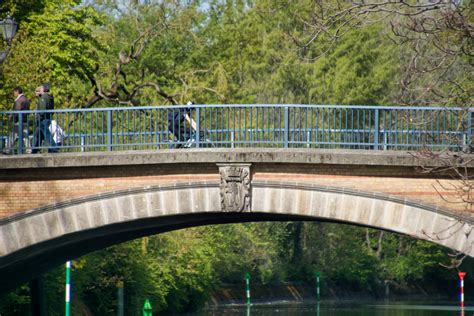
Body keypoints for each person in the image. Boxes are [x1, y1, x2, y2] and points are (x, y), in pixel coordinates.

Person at [3, 87, 31, 154]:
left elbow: (16, 111)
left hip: (19, 121)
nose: (14, 94)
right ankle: (29, 150)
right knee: (25, 136)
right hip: (25, 120)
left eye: (14, 92)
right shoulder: (26, 100)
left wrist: (12, 119)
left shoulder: (19, 100)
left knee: (13, 135)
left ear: (17, 91)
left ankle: (7, 149)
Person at [32, 84, 58, 153]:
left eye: (40, 89)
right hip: (47, 118)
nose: (38, 91)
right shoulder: (50, 97)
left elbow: (42, 110)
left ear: (43, 90)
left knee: (46, 134)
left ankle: (54, 147)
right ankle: (34, 150)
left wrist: (39, 116)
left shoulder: (43, 97)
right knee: (37, 135)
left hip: (43, 119)